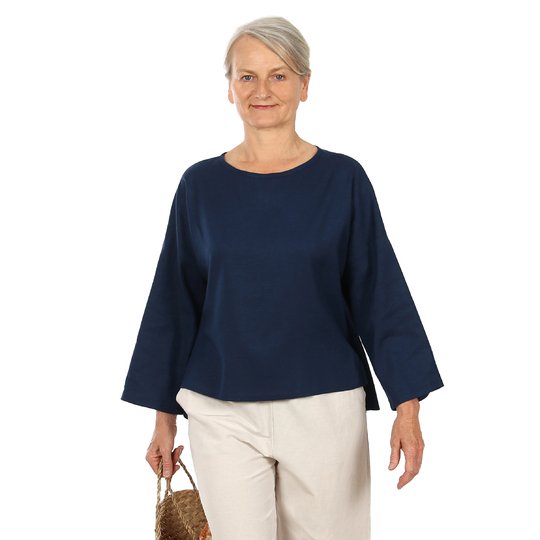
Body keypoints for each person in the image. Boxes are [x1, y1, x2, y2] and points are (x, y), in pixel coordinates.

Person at [121, 15, 444, 540]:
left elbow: (379, 293)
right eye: (247, 76)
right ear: (229, 87)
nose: (262, 90)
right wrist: (163, 419)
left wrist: (408, 408)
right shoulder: (200, 186)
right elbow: (175, 302)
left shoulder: (343, 179)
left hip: (324, 407)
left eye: (279, 75)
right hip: (220, 408)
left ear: (304, 85)